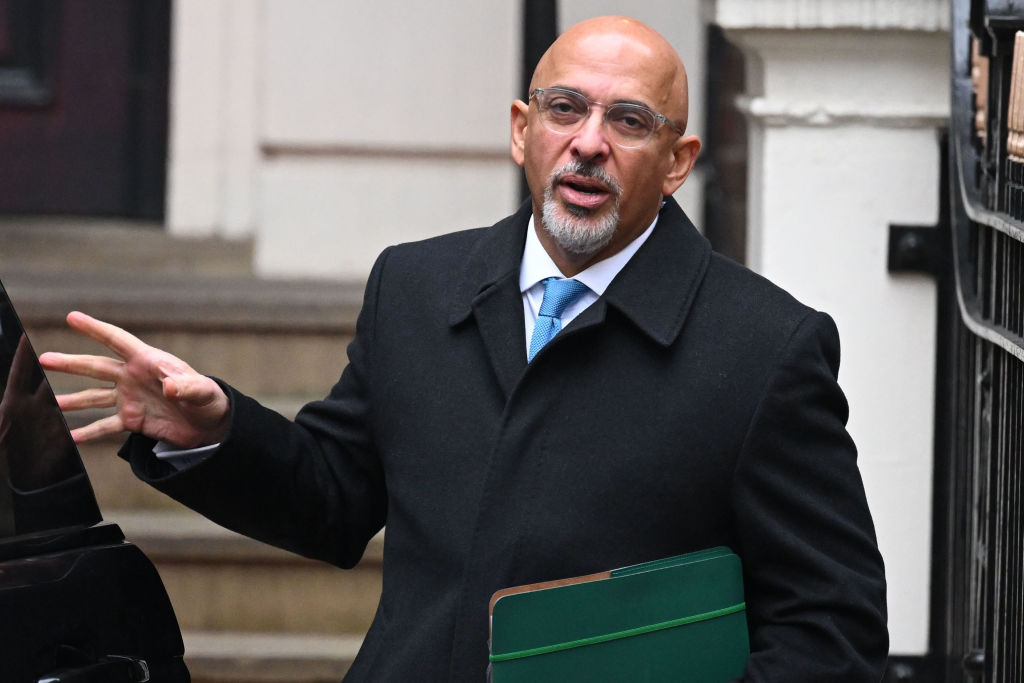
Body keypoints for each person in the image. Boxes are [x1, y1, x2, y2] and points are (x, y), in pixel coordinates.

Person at [40, 16, 888, 681]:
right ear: (523, 130)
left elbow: (831, 630)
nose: (589, 141)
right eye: (565, 108)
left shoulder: (766, 349)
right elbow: (334, 498)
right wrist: (218, 431)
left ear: (677, 162)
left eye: (629, 120)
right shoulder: (415, 288)